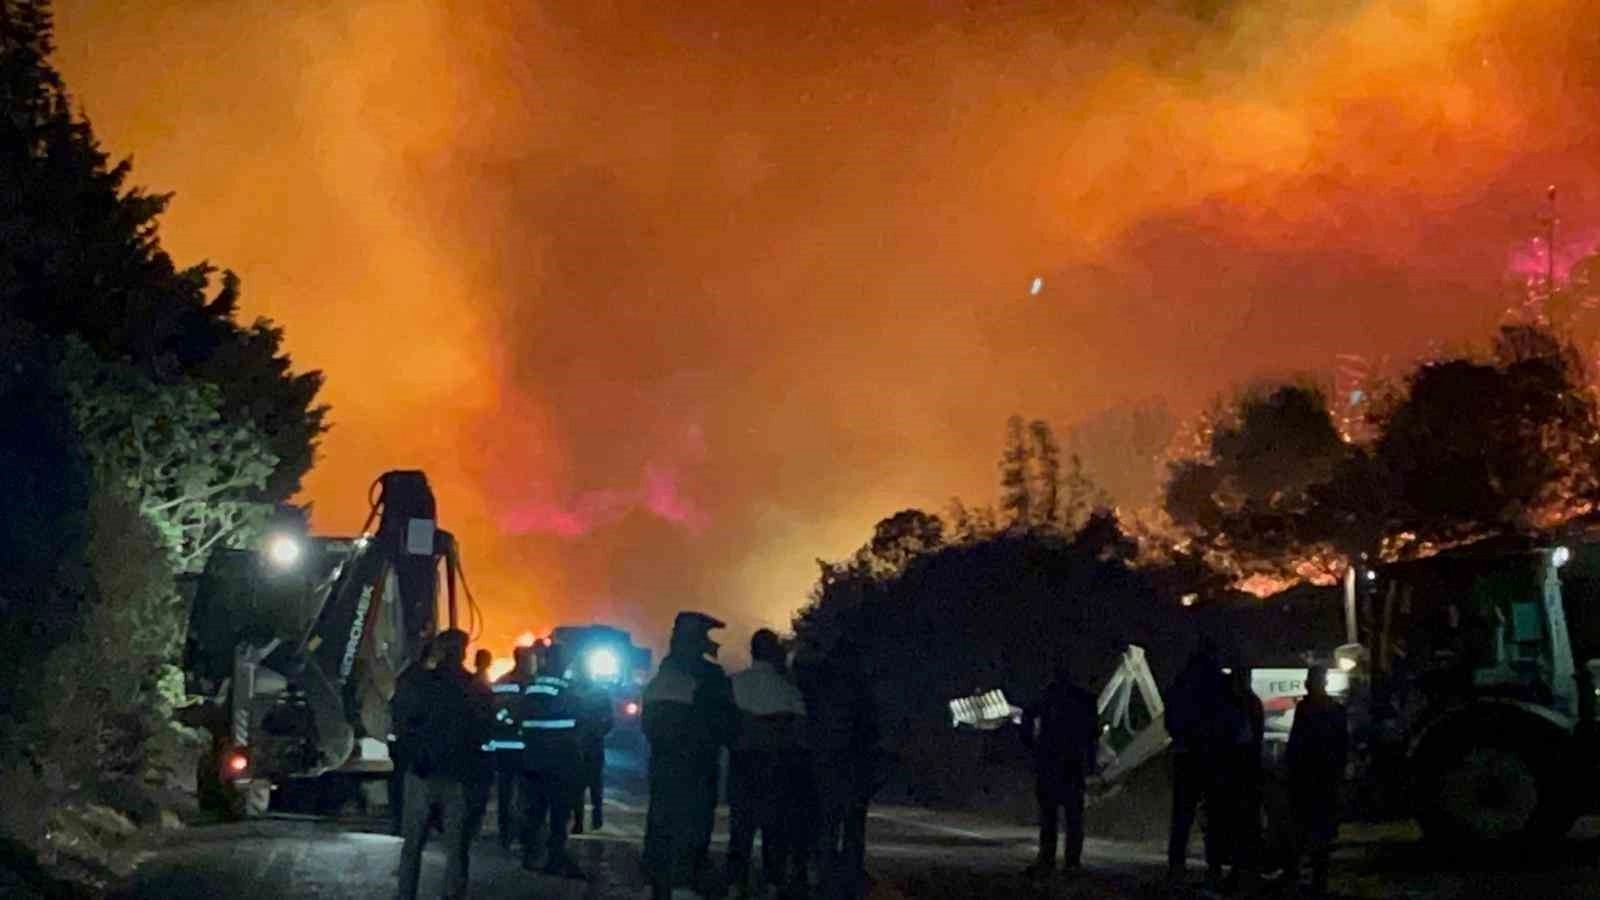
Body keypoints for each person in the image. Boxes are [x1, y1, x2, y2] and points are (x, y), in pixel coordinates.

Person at [642, 611, 738, 900]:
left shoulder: (663, 677)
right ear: (695, 640)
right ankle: (686, 881)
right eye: (706, 636)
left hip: (664, 766)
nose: (712, 644)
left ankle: (659, 883)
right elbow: (727, 723)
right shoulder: (709, 678)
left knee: (661, 824)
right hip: (697, 768)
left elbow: (650, 726)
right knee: (693, 827)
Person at [392, 629, 492, 900]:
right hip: (457, 777)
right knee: (456, 848)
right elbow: (484, 731)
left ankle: (406, 895)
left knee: (413, 846)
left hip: (422, 774)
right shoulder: (474, 688)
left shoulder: (420, 683)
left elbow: (402, 721)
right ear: (463, 651)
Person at [725, 629, 807, 899]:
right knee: (775, 827)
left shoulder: (734, 684)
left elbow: (726, 727)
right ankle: (773, 881)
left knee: (741, 828)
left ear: (752, 651)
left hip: (743, 764)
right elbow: (800, 732)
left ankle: (736, 883)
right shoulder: (788, 690)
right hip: (777, 766)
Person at [808, 638, 880, 900]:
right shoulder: (861, 690)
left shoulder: (821, 688)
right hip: (854, 766)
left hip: (827, 764)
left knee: (827, 824)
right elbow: (872, 730)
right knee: (853, 827)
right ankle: (851, 875)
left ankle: (825, 875)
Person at [1164, 636, 1233, 886]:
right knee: (1214, 815)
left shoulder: (1183, 681)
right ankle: (1213, 866)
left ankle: (1176, 865)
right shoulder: (1219, 683)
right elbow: (1228, 719)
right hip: (1212, 756)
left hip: (1187, 754)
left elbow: (1170, 718)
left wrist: (1182, 738)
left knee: (1183, 815)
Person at [1020, 659, 1098, 878]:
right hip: (1073, 763)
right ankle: (1072, 862)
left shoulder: (1048, 696)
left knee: (1049, 816)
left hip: (1050, 762)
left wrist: (1032, 747)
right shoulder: (1084, 699)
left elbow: (1028, 717)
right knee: (1073, 817)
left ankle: (1047, 860)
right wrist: (1091, 763)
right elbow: (1093, 734)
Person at [516, 641, 586, 879]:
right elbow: (580, 721)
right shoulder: (567, 690)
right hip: (560, 760)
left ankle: (530, 855)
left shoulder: (531, 688)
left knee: (534, 811)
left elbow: (520, 719)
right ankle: (554, 858)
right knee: (558, 813)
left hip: (533, 759)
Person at [1286, 665, 1348, 899]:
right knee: (1320, 833)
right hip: (1323, 779)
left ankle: (1300, 877)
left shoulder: (1307, 709)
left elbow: (1296, 745)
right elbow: (1342, 747)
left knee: (1304, 830)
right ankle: (1317, 881)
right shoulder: (1334, 710)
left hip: (1308, 779)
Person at [1222, 666, 1265, 892]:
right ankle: (1247, 868)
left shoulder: (1240, 704)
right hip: (1247, 769)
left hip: (1241, 770)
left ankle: (1243, 868)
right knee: (1246, 822)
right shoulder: (1251, 703)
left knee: (1241, 821)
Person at [388, 637, 437, 836]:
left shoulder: (407, 676)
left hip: (403, 739)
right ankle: (410, 826)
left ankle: (400, 823)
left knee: (400, 783)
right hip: (413, 740)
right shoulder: (423, 680)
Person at [491, 644, 536, 850]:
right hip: (521, 746)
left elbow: (494, 709)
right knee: (517, 793)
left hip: (507, 746)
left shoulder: (503, 682)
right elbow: (495, 709)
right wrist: (512, 721)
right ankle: (513, 834)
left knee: (510, 792)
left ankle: (510, 833)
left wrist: (506, 719)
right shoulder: (532, 684)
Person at [570, 663, 614, 835]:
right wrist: (600, 731)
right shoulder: (600, 693)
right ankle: (593, 818)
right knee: (592, 783)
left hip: (583, 744)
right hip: (591, 743)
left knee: (580, 785)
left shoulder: (573, 692)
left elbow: (609, 720)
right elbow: (609, 720)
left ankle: (582, 821)